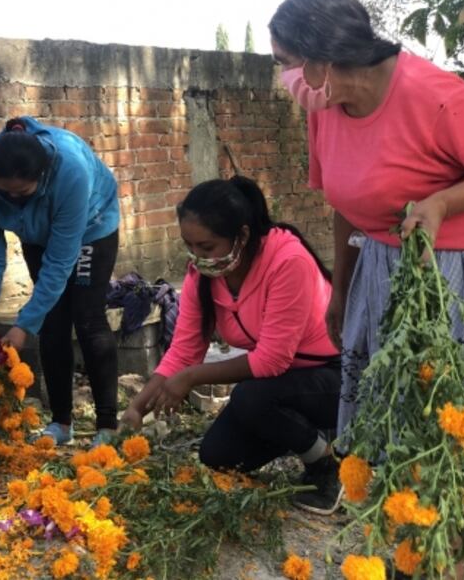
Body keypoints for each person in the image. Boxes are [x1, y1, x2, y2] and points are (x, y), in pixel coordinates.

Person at [269, 0, 464, 466]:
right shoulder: (324, 106)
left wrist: (441, 204)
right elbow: (344, 202)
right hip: (387, 265)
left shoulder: (430, 95)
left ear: (321, 57)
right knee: (402, 421)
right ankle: (418, 516)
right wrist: (343, 291)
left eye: (284, 60)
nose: (284, 76)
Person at [122, 176, 343, 514]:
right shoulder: (204, 276)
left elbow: (271, 362)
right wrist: (138, 407)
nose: (197, 257)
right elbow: (183, 349)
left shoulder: (288, 262)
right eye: (190, 246)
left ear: (241, 235)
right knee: (217, 456)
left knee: (251, 396)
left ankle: (326, 467)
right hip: (282, 387)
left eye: (207, 248)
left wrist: (193, 377)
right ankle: (300, 432)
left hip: (333, 378)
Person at [0, 116, 120, 447]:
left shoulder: (70, 172)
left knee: (88, 317)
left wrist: (23, 325)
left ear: (42, 176)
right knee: (52, 320)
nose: (12, 200)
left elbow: (61, 261)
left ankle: (108, 425)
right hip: (35, 232)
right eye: (4, 193)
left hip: (91, 228)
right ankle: (61, 423)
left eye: (21, 193)